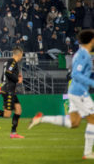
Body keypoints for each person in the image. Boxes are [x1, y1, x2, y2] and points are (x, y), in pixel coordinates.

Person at [29, 29, 94, 159]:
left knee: (74, 123)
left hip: (76, 91)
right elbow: (75, 74)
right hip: (79, 92)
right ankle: (87, 153)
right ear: (91, 40)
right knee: (93, 120)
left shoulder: (80, 53)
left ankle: (41, 118)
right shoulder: (84, 55)